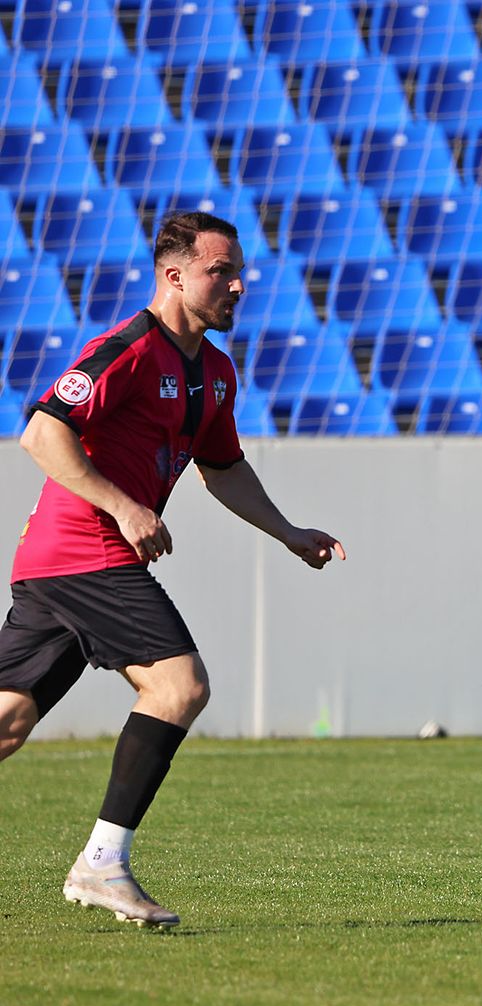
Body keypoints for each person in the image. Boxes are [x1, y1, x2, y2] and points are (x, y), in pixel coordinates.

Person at [0, 212, 345, 927]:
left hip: (59, 566)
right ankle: (101, 863)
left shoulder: (215, 373)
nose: (238, 285)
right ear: (174, 276)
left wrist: (286, 532)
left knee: (7, 719)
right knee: (180, 684)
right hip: (83, 551)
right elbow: (41, 432)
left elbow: (224, 470)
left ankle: (102, 864)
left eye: (237, 271)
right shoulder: (126, 349)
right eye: (221, 272)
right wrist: (125, 508)